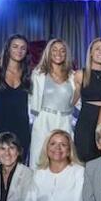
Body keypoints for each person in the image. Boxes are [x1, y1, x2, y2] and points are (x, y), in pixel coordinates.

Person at [0, 34, 32, 164]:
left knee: (19, 171)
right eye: (15, 47)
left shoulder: (28, 74)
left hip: (22, 129)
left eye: (23, 48)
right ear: (8, 49)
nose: (19, 51)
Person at [29, 38, 76, 169]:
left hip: (65, 121)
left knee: (65, 161)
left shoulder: (73, 76)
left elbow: (78, 103)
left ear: (66, 54)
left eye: (62, 50)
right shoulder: (38, 74)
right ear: (48, 53)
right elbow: (32, 100)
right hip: (44, 119)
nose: (58, 53)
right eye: (54, 50)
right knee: (39, 159)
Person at [74, 38, 101, 162]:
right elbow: (72, 101)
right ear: (91, 52)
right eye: (97, 49)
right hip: (86, 121)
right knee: (84, 159)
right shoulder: (81, 74)